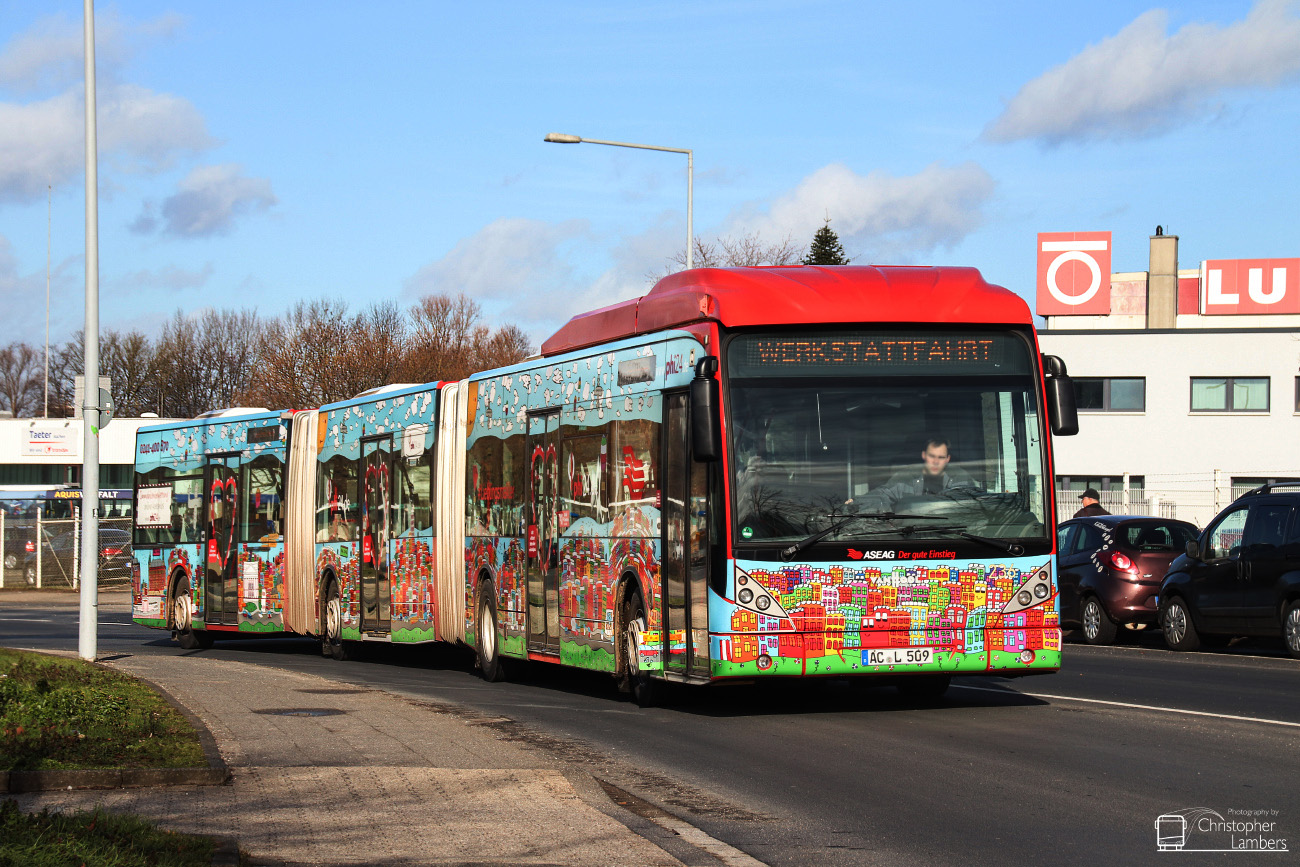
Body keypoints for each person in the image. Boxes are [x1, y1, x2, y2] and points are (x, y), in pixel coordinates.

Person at [859, 437, 977, 512]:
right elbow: (883, 495)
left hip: (952, 537)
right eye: (932, 456)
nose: (936, 462)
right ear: (924, 455)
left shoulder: (960, 478)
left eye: (941, 457)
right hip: (914, 536)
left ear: (948, 459)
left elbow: (973, 506)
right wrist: (856, 502)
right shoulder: (907, 476)